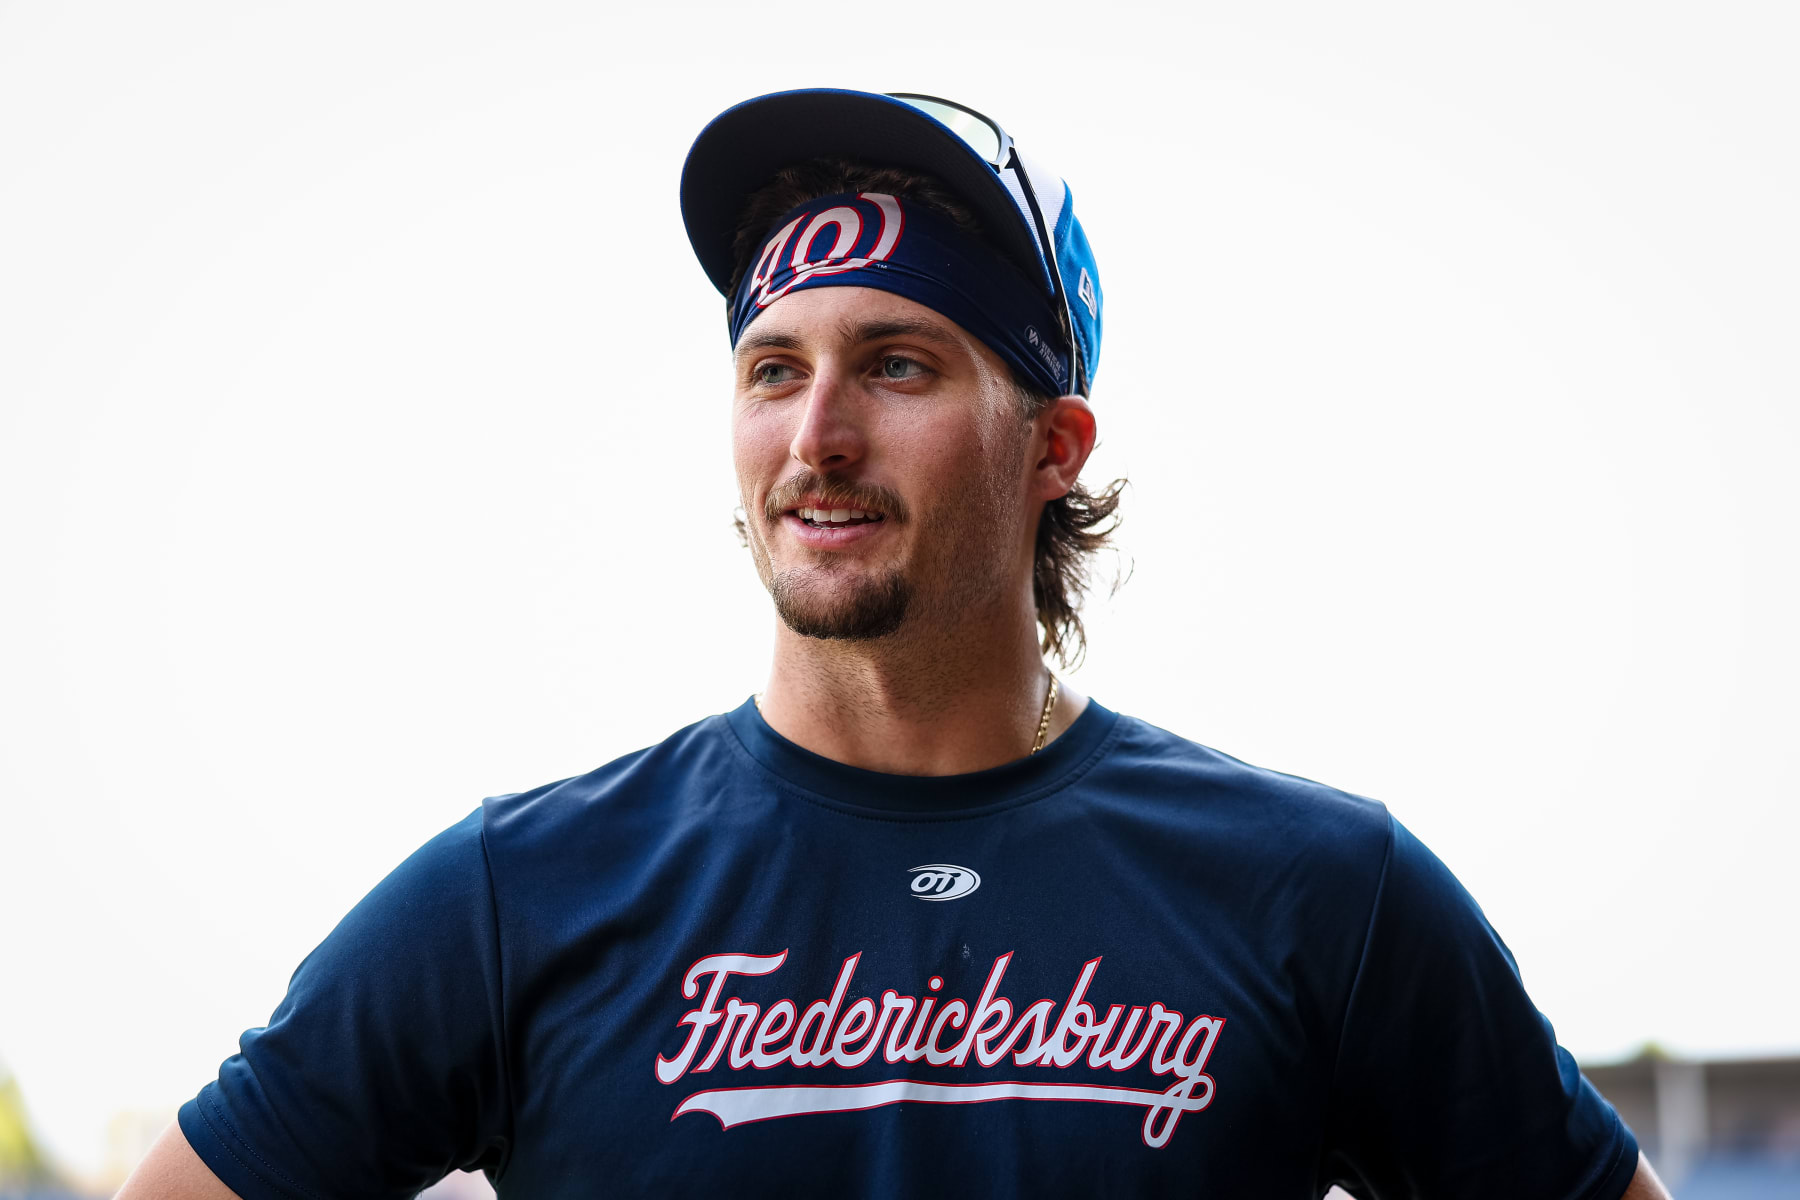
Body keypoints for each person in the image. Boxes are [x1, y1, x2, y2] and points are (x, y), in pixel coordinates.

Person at [120, 88, 1670, 1200]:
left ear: (1052, 445)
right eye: (771, 368)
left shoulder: (1321, 893)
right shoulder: (522, 895)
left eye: (900, 364)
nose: (819, 434)